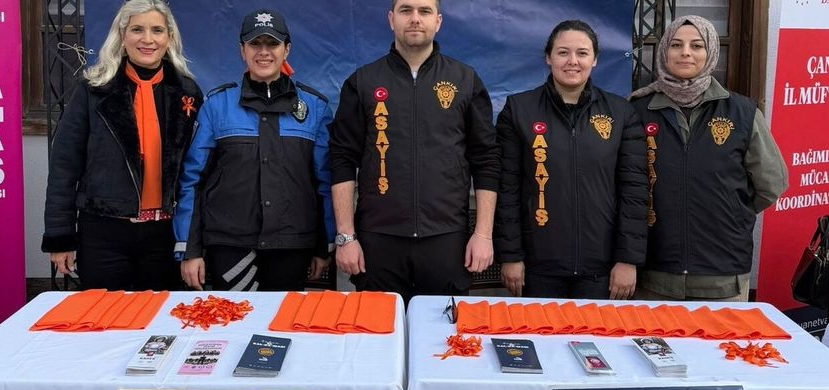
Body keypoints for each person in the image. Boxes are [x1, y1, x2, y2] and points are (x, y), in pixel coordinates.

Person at [330, 0, 501, 303]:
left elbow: (486, 160)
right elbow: (342, 159)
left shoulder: (465, 80)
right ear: (391, 19)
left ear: (438, 21)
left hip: (446, 239)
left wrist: (483, 234)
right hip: (378, 240)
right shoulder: (363, 81)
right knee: (380, 329)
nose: (415, 19)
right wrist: (346, 237)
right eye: (406, 10)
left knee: (441, 331)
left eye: (424, 11)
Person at [42, 0, 202, 291]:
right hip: (103, 233)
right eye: (137, 29)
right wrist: (60, 237)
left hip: (163, 236)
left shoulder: (187, 93)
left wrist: (193, 242)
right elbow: (64, 167)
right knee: (107, 316)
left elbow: (196, 174)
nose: (147, 39)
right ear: (122, 35)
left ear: (169, 38)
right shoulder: (93, 90)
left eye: (157, 30)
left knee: (159, 317)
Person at [174, 9, 335, 292]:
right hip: (231, 246)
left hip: (292, 245)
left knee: (284, 319)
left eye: (272, 43)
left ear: (287, 49)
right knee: (236, 317)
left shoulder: (315, 108)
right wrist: (190, 248)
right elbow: (192, 180)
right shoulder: (217, 105)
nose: (263, 52)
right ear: (242, 50)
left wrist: (325, 246)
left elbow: (326, 183)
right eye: (255, 44)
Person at [629, 15, 787, 302]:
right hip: (653, 275)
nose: (685, 53)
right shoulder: (637, 111)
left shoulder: (742, 112)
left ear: (711, 51)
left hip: (722, 276)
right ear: (664, 51)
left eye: (696, 45)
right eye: (676, 45)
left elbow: (771, 183)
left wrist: (730, 210)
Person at [494, 20, 648, 300]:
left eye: (582, 53)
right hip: (538, 267)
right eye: (563, 52)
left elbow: (634, 192)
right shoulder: (519, 110)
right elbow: (507, 189)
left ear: (595, 59)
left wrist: (628, 259)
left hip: (601, 269)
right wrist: (511, 255)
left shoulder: (621, 113)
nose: (573, 61)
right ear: (548, 57)